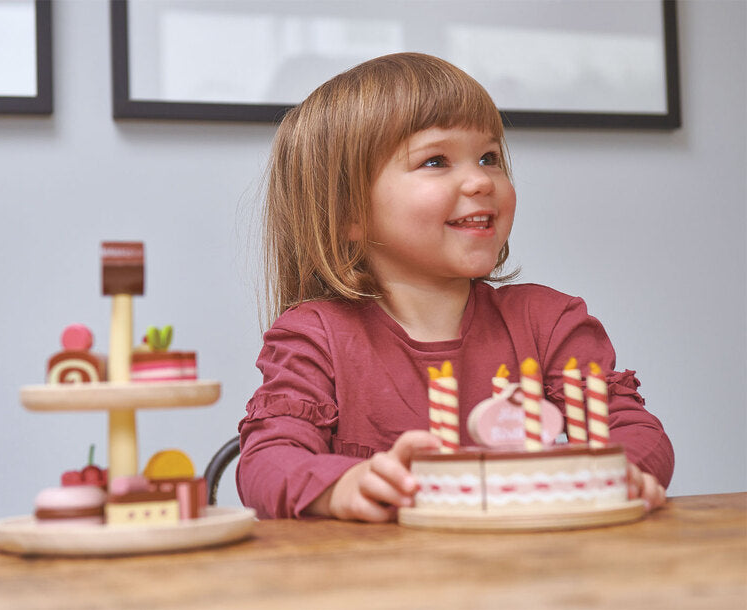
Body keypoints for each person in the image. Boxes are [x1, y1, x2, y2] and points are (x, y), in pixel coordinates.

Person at [236, 52, 673, 522]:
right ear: (348, 214)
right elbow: (266, 462)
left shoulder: (549, 322)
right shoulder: (316, 337)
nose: (480, 180)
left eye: (489, 157)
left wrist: (620, 471)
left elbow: (634, 430)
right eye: (436, 160)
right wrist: (340, 485)